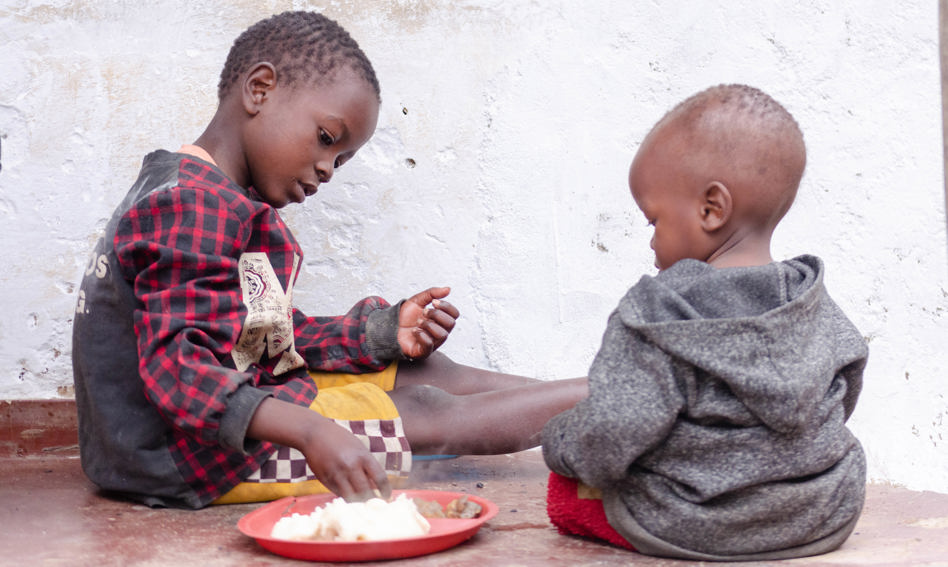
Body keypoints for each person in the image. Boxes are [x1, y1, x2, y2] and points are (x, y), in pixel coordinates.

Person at [71, 11, 586, 510]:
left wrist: (380, 333)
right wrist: (312, 430)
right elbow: (181, 374)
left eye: (340, 159)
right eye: (326, 139)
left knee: (423, 369)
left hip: (212, 417)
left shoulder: (206, 193)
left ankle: (605, 397)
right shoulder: (193, 206)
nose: (327, 169)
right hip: (186, 455)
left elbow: (259, 338)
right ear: (260, 89)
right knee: (428, 411)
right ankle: (629, 397)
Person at [541, 84, 868, 561]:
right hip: (822, 512)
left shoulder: (660, 314)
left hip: (694, 521)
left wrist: (560, 440)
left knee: (565, 491)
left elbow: (612, 433)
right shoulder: (814, 300)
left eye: (653, 221)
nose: (651, 242)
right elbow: (848, 388)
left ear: (711, 209)